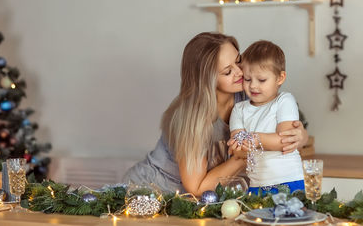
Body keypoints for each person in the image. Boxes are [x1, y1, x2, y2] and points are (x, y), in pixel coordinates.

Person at [123, 32, 308, 196]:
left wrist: (300, 136)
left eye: (238, 61)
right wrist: (244, 156)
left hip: (204, 198)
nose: (240, 73)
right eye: (228, 71)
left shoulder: (246, 94)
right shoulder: (191, 117)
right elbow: (196, 189)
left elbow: (280, 123)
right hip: (152, 192)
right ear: (208, 79)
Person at [229, 40, 304, 195]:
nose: (253, 86)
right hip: (256, 184)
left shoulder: (284, 100)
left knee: (290, 218)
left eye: (261, 80)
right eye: (248, 79)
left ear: (280, 78)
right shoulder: (239, 109)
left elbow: (285, 142)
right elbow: (238, 151)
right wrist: (244, 145)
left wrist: (254, 139)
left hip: (289, 180)